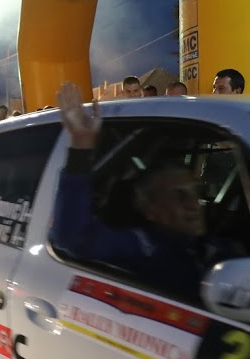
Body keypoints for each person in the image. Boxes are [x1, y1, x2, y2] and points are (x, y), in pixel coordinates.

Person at [48, 82, 238, 300]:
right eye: (178, 195)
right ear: (150, 210)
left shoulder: (211, 246)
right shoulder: (143, 247)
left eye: (195, 192)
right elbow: (72, 238)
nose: (193, 204)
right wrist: (80, 145)